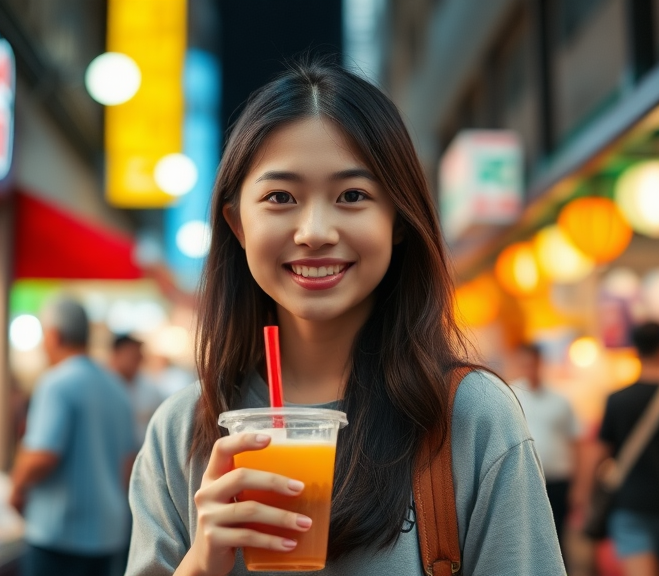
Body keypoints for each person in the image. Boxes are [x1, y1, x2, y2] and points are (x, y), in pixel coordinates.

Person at [126, 59, 565, 576]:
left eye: (352, 196)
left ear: (398, 221)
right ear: (237, 223)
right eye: (280, 197)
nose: (314, 230)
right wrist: (200, 564)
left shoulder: (472, 420)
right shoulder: (183, 431)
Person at [11, 298, 138, 576]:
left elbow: (42, 456)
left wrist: (17, 488)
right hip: (109, 534)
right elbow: (129, 464)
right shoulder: (117, 387)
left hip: (59, 535)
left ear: (54, 336)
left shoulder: (57, 383)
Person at [592, 322, 659, 576]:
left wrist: (585, 497)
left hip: (629, 506)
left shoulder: (617, 401)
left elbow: (598, 456)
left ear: (635, 351)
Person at [510, 343, 580, 564]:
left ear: (541, 363)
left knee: (558, 535)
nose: (530, 368)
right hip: (525, 478)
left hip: (558, 479)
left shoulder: (560, 400)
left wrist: (579, 485)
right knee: (525, 536)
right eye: (525, 363)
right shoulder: (510, 395)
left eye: (534, 363)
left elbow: (575, 442)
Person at [110, 334, 168, 443]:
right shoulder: (102, 386)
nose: (139, 360)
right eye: (133, 356)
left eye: (139, 356)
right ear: (116, 354)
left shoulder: (150, 388)